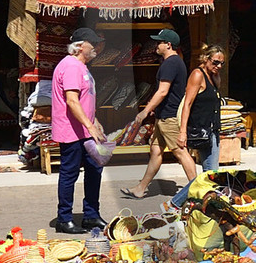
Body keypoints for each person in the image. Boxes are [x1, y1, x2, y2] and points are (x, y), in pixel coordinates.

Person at [122, 29, 198, 199]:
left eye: (159, 42)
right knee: (156, 150)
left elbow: (163, 91)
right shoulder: (175, 62)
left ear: (168, 45)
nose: (156, 45)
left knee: (180, 151)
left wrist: (144, 111)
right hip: (163, 116)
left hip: (169, 118)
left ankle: (198, 190)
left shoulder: (170, 63)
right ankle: (141, 188)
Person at [50, 31, 105, 233]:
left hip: (84, 130)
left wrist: (94, 122)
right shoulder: (72, 66)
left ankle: (91, 215)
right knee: (69, 173)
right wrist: (89, 126)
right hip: (72, 131)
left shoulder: (80, 66)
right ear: (81, 46)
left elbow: (84, 100)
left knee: (94, 170)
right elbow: (72, 101)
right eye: (94, 44)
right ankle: (64, 219)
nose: (96, 48)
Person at [174, 44, 226, 203]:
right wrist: (183, 132)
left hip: (213, 130)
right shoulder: (197, 75)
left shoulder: (213, 76)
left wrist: (216, 77)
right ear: (206, 58)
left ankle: (202, 206)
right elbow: (187, 104)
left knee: (209, 176)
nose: (218, 66)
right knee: (208, 177)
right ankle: (176, 202)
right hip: (202, 130)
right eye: (215, 62)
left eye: (221, 63)